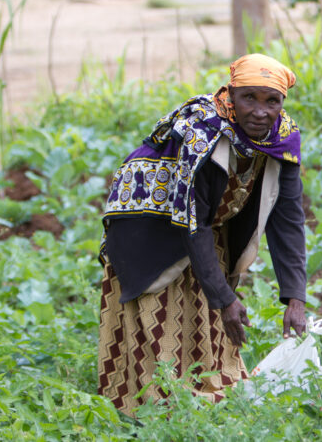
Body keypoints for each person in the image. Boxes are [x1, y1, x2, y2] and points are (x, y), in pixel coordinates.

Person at [96, 53, 307, 416]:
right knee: (159, 312)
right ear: (231, 95)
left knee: (205, 311)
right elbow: (190, 223)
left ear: (282, 102)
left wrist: (296, 299)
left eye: (271, 100)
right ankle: (155, 410)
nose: (260, 111)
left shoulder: (281, 138)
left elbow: (288, 219)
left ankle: (208, 396)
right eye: (249, 98)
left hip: (209, 221)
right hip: (148, 223)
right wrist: (225, 300)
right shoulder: (203, 135)